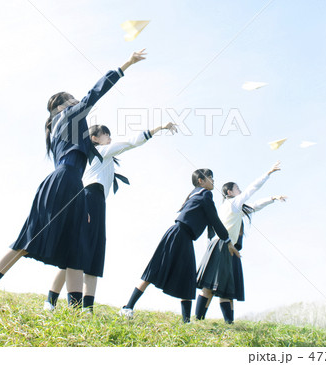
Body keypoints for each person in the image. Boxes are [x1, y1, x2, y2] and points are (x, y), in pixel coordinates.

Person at [0, 49, 146, 308]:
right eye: (71, 99)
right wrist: (126, 64)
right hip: (63, 181)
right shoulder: (67, 116)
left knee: (74, 249)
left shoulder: (67, 126)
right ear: (61, 106)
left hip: (74, 184)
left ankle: (73, 314)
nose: (76, 101)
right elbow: (94, 94)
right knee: (27, 240)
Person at [43, 121, 178, 312]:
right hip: (90, 200)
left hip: (97, 202)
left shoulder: (98, 157)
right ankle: (52, 301)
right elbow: (130, 142)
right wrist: (160, 127)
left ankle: (84, 308)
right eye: (107, 135)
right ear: (94, 139)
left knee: (92, 254)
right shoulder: (100, 151)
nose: (111, 139)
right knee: (77, 254)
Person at [119, 169, 240, 323]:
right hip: (179, 234)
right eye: (210, 177)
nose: (213, 180)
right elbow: (215, 220)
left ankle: (186, 321)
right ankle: (127, 307)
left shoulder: (196, 194)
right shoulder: (205, 194)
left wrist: (217, 240)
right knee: (155, 270)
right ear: (201, 181)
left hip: (182, 236)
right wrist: (228, 241)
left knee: (185, 276)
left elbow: (211, 224)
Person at [195, 161, 287, 323]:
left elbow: (255, 206)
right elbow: (253, 188)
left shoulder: (232, 207)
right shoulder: (234, 203)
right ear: (230, 192)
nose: (241, 191)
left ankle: (210, 321)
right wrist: (268, 173)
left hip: (219, 246)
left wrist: (272, 198)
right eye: (238, 188)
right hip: (222, 246)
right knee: (214, 287)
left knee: (221, 288)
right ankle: (202, 320)